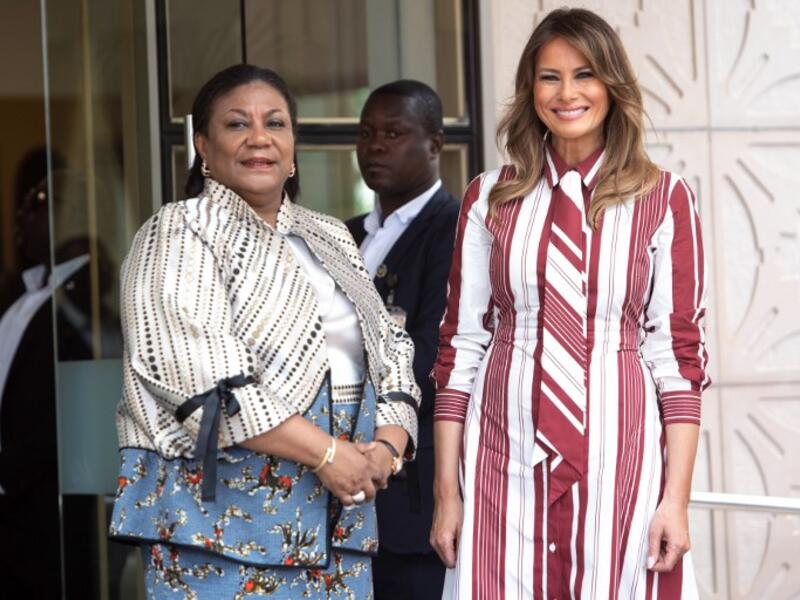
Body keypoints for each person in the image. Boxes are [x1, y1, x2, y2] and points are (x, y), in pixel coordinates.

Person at [108, 64, 420, 599]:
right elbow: (202, 383)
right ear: (202, 145)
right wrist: (328, 455)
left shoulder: (329, 236)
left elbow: (392, 349)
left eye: (275, 123)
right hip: (221, 531)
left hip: (341, 529)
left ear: (293, 144)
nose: (259, 137)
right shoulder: (180, 230)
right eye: (236, 124)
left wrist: (386, 450)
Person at [430, 8, 710, 599]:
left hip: (621, 463)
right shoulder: (489, 198)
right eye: (549, 76)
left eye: (584, 74)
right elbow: (459, 349)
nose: (567, 93)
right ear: (530, 90)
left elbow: (679, 360)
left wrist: (676, 501)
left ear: (612, 85)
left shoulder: (664, 199)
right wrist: (447, 494)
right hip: (501, 466)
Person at [346, 80, 458, 599]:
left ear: (434, 144)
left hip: (411, 495)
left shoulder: (455, 229)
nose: (375, 145)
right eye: (366, 133)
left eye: (394, 133)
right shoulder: (341, 234)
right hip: (338, 492)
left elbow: (430, 351)